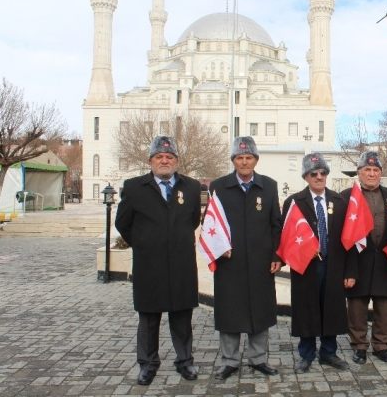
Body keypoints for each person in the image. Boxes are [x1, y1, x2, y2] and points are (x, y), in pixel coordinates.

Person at [115, 136, 201, 386]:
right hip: (148, 265)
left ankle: (185, 361)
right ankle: (148, 364)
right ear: (150, 160)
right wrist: (144, 242)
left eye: (169, 157)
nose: (165, 160)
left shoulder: (192, 187)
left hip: (181, 264)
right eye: (159, 157)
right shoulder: (133, 187)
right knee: (149, 319)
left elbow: (193, 220)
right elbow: (123, 223)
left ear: (176, 160)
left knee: (182, 317)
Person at [208, 136, 283, 381]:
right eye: (239, 158)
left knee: (259, 310)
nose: (244, 162)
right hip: (229, 263)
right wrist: (219, 248)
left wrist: (276, 255)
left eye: (248, 157)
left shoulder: (269, 186)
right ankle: (229, 361)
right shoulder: (218, 186)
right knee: (230, 311)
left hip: (261, 263)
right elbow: (210, 223)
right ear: (233, 160)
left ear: (256, 160)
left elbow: (276, 225)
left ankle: (258, 358)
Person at [283, 153, 357, 373]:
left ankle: (329, 352)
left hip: (334, 266)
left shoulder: (339, 201)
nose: (319, 177)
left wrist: (350, 271)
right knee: (307, 309)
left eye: (323, 173)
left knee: (332, 308)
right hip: (306, 267)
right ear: (306, 176)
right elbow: (285, 236)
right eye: (313, 173)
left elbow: (350, 239)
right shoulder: (294, 202)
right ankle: (306, 354)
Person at [341, 152, 387, 364]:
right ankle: (359, 346)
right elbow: (342, 237)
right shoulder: (344, 197)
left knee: (384, 308)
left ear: (381, 173)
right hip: (357, 262)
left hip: (385, 262)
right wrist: (347, 270)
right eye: (366, 170)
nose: (371, 174)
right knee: (357, 308)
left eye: (375, 170)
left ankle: (381, 346)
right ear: (359, 173)